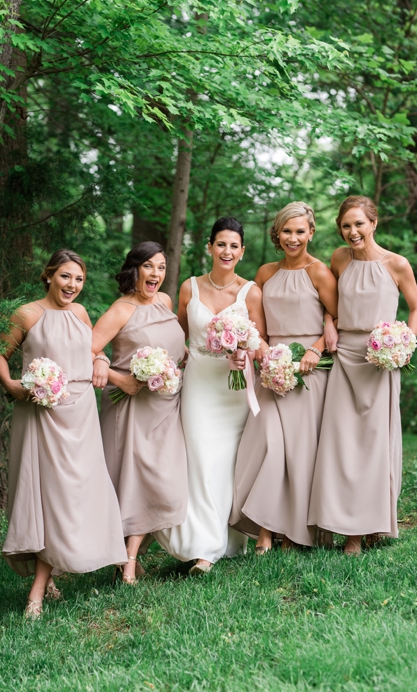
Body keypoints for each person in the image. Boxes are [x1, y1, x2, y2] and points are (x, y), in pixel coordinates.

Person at [0, 249, 127, 619]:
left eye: (79, 279)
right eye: (66, 277)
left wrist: (100, 360)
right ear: (49, 275)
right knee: (48, 496)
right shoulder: (27, 314)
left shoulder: (82, 314)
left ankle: (55, 572)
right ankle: (38, 589)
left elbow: (92, 352)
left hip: (81, 413)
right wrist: (11, 384)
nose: (72, 285)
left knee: (76, 494)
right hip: (41, 415)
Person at [308, 195, 417, 555]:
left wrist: (404, 343)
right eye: (346, 225)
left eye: (359, 223)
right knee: (340, 444)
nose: (352, 231)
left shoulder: (397, 264)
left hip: (379, 360)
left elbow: (416, 308)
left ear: (373, 223)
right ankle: (340, 523)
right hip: (344, 358)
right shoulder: (339, 259)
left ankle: (363, 530)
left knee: (373, 445)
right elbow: (332, 306)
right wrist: (328, 322)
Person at [153, 217, 267, 574]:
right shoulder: (190, 289)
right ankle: (203, 544)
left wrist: (245, 350)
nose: (227, 251)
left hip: (234, 389)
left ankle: (221, 543)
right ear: (209, 247)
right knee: (200, 459)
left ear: (242, 251)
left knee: (227, 464)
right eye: (221, 244)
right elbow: (181, 336)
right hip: (201, 382)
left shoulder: (251, 292)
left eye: (234, 245)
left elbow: (262, 342)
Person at [231, 203, 338, 551]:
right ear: (277, 234)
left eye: (300, 231)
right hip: (271, 370)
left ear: (311, 232)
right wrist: (262, 349)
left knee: (299, 454)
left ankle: (289, 533)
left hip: (309, 373)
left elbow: (339, 321)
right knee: (266, 446)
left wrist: (315, 349)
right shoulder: (264, 273)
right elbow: (255, 325)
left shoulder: (320, 272)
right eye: (286, 231)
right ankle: (265, 529)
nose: (293, 238)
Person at [92, 242, 188, 584]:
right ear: (135, 270)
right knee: (133, 485)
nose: (156, 274)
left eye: (161, 268)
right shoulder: (121, 309)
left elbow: (176, 347)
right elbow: (85, 349)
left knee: (165, 484)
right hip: (130, 408)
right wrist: (119, 377)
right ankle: (128, 564)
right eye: (149, 267)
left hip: (165, 407)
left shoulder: (164, 302)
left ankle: (129, 556)